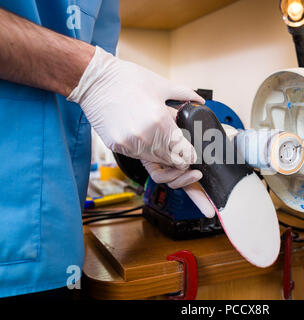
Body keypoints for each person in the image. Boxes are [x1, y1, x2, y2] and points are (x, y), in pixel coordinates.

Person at [0, 1, 213, 298]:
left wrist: (143, 139)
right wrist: (90, 74)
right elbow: (88, 72)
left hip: (60, 244)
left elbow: (93, 92)